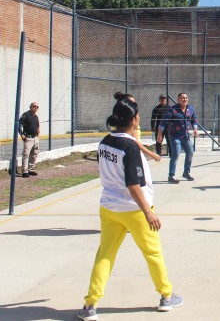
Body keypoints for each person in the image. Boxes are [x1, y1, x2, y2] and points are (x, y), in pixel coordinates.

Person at [77, 96, 183, 321]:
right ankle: (166, 296)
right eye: (138, 115)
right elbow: (133, 184)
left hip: (109, 208)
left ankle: (90, 305)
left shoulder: (104, 141)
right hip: (134, 209)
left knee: (104, 255)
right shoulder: (129, 148)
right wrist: (148, 212)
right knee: (153, 253)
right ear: (134, 120)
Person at [157, 93, 198, 183]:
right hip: (175, 136)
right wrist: (159, 135)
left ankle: (186, 172)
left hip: (185, 136)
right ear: (178, 99)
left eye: (186, 98)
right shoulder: (172, 110)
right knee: (176, 154)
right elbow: (163, 123)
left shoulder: (190, 109)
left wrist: (195, 129)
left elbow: (194, 120)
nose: (185, 99)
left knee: (190, 152)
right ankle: (171, 176)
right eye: (182, 98)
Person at [18, 102, 40, 178]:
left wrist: (38, 130)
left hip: (35, 138)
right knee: (26, 154)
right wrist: (22, 134)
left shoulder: (36, 117)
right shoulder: (26, 115)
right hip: (28, 138)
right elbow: (19, 124)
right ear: (30, 107)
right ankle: (24, 171)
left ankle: (31, 169)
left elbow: (37, 125)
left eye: (37, 107)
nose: (36, 108)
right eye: (34, 106)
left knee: (34, 154)